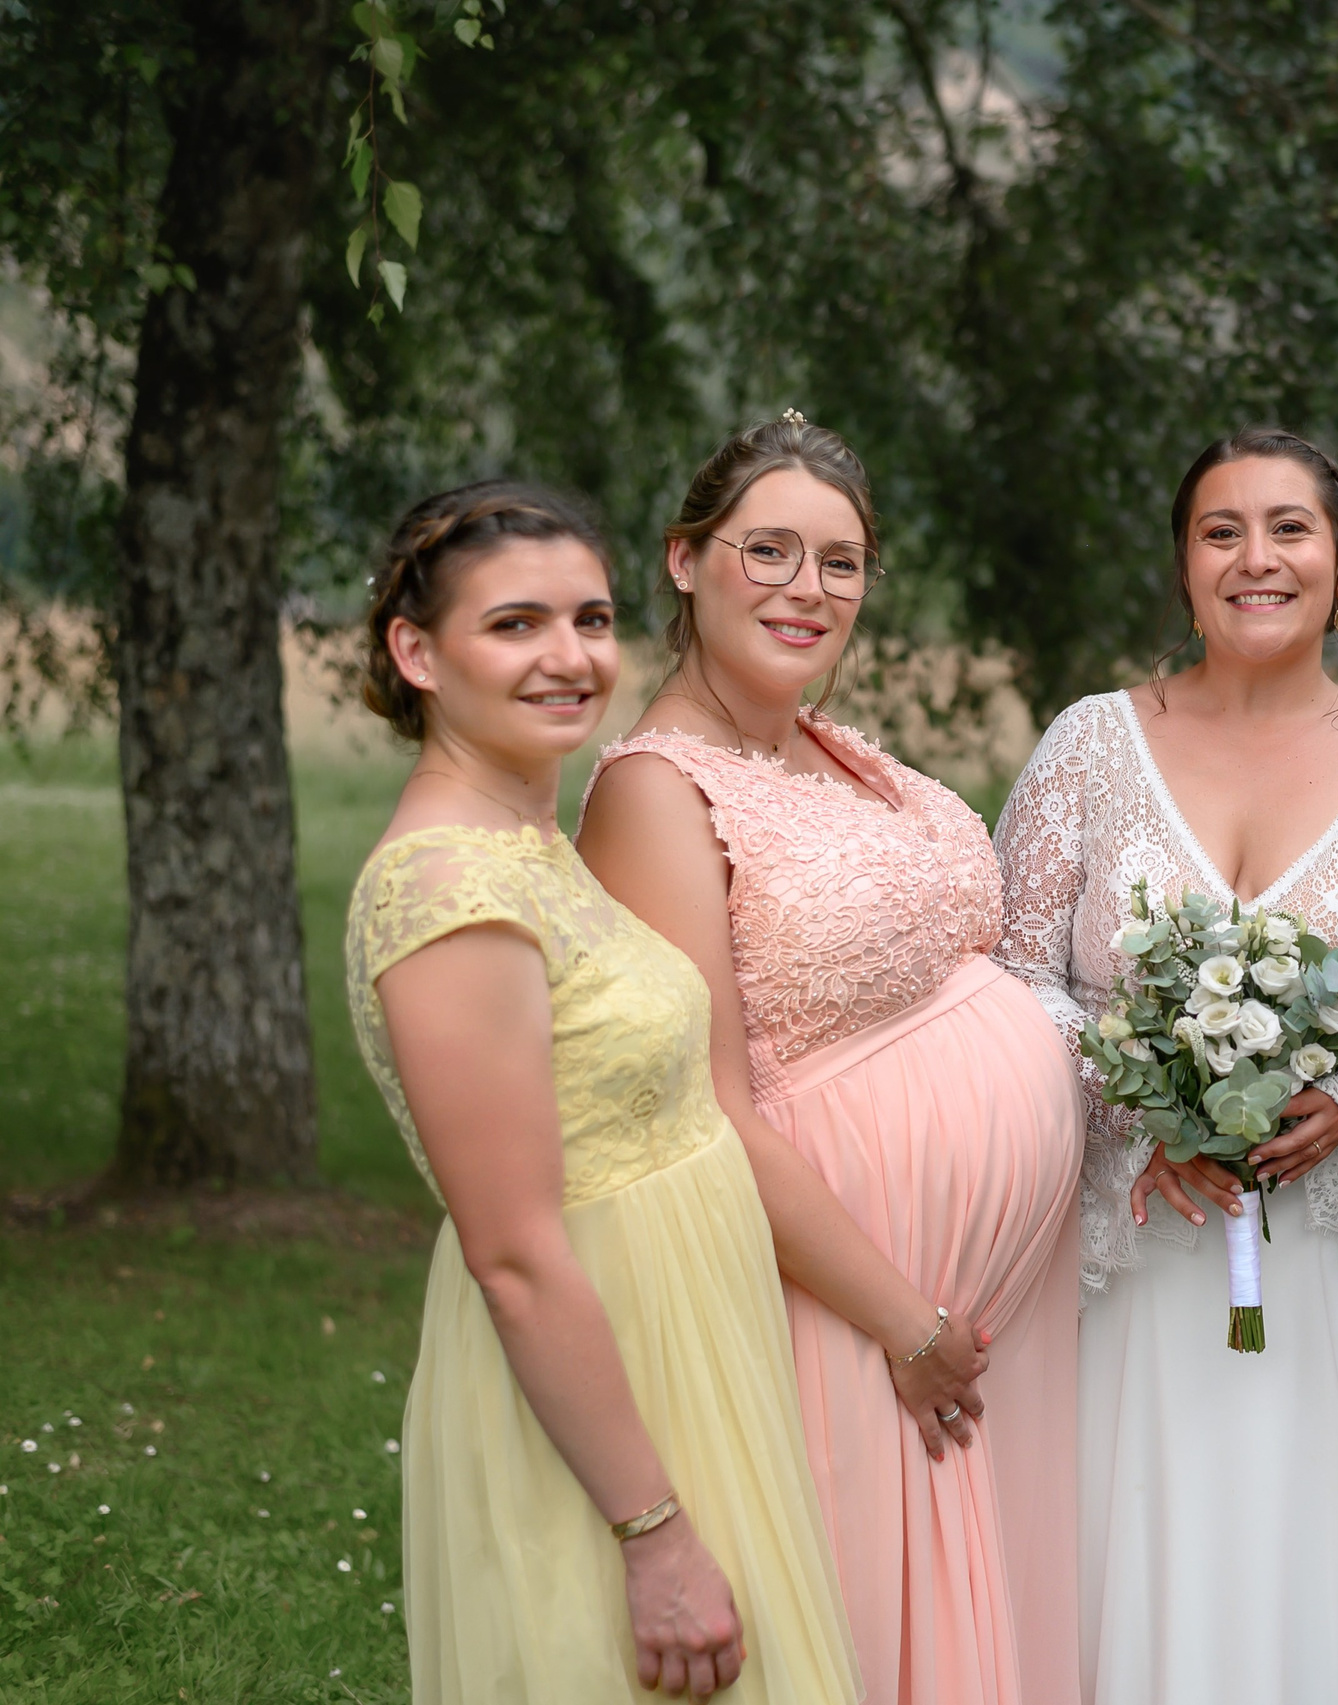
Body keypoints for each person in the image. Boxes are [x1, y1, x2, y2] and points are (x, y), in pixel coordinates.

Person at [991, 427, 1338, 1705]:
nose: (1255, 558)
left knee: (1320, 1582)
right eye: (1221, 531)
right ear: (1182, 564)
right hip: (1141, 1244)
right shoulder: (1088, 747)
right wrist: (1137, 1094)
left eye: (1288, 528)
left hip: (1335, 1269)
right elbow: (1009, 972)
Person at [579, 415, 1083, 1705]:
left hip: (961, 1326)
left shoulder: (834, 749)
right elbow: (701, 1105)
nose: (809, 589)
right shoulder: (655, 789)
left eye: (841, 563)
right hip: (842, 1316)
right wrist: (902, 1319)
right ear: (686, 560)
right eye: (770, 551)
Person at [342, 481, 861, 1703]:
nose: (568, 656)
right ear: (416, 651)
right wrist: (655, 1536)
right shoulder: (447, 893)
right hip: (604, 1403)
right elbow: (514, 1254)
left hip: (686, 1346)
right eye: (514, 624)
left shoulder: (534, 844)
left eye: (589, 617)